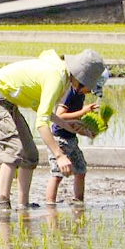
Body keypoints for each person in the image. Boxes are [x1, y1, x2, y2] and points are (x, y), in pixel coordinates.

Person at [0, 49, 105, 209]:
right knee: (14, 148)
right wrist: (59, 155)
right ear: (81, 79)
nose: (89, 91)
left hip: (8, 101)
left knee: (30, 154)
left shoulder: (62, 75)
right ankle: (3, 204)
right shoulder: (57, 78)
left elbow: (40, 107)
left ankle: (23, 205)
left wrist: (67, 125)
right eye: (89, 87)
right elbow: (41, 123)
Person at [44, 74, 105, 206]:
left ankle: (78, 200)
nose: (90, 92)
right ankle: (50, 204)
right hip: (59, 140)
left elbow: (74, 123)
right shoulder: (69, 93)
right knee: (57, 174)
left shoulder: (80, 94)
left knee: (81, 169)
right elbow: (60, 116)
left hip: (72, 139)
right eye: (91, 88)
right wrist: (83, 111)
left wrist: (88, 130)